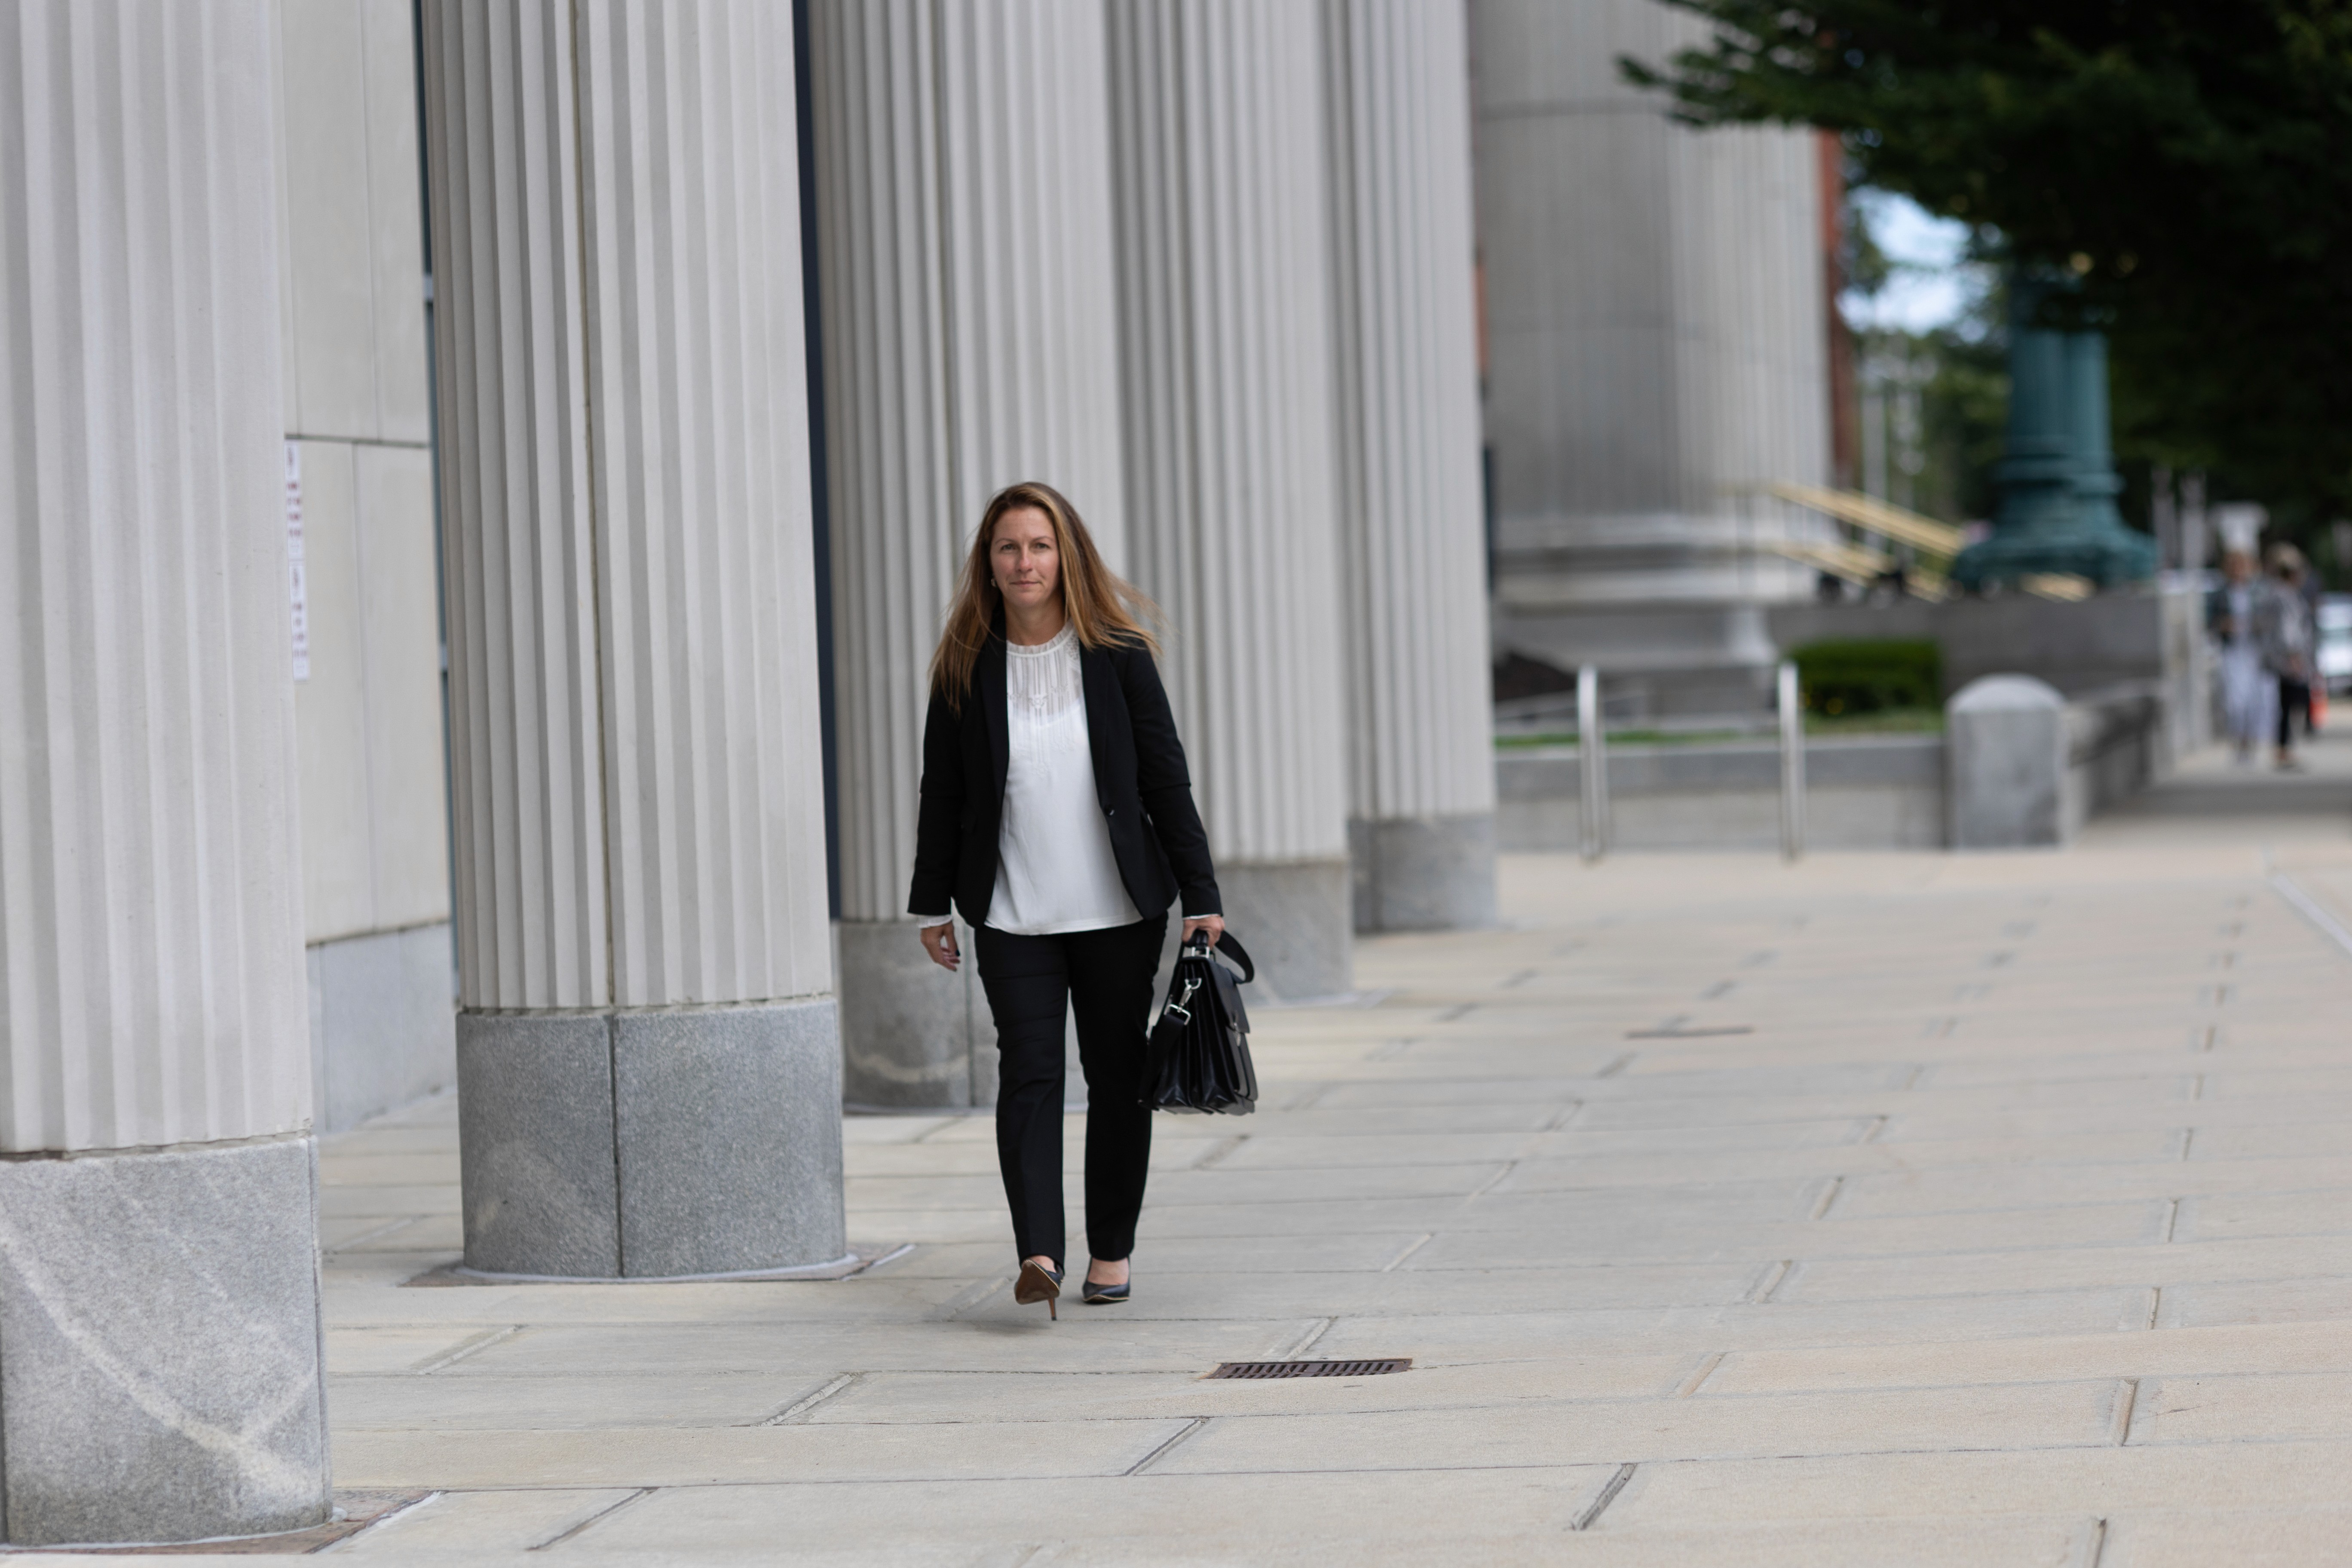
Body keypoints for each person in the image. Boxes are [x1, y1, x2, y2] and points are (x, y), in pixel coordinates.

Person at [908, 481, 1223, 1321]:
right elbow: (943, 792)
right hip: (1013, 914)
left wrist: (1203, 894)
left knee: (1119, 1078)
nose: (1025, 562)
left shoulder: (1119, 656)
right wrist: (930, 902)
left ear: (1066, 555)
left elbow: (1166, 778)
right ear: (990, 563)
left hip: (1120, 913)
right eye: (1008, 548)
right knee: (1030, 1075)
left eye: (1039, 546)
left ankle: (1110, 1251)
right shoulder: (966, 665)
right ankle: (1039, 1255)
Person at [2210, 549, 2275, 764]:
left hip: (2254, 652)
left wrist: (2257, 625)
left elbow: (2270, 619)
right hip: (2232, 652)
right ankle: (2238, 741)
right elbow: (2210, 622)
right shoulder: (2220, 593)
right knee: (2234, 702)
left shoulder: (2259, 591)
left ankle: (2250, 744)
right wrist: (2223, 626)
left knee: (2254, 702)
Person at [2257, 542, 2316, 771]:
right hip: (2286, 659)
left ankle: (2284, 748)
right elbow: (2288, 630)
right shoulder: (2285, 596)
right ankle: (2283, 749)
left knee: (2285, 705)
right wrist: (2294, 656)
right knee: (2288, 705)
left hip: (2278, 657)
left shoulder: (2274, 593)